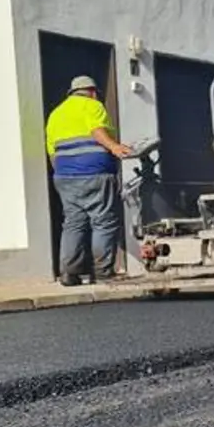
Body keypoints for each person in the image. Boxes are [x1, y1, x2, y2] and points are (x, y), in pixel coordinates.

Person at [45, 76, 132, 286]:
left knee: (73, 224)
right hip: (95, 174)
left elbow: (51, 151)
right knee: (103, 221)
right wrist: (114, 147)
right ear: (92, 91)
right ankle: (102, 272)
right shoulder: (93, 105)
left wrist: (63, 175)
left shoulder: (56, 113)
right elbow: (96, 130)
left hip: (65, 176)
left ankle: (69, 274)